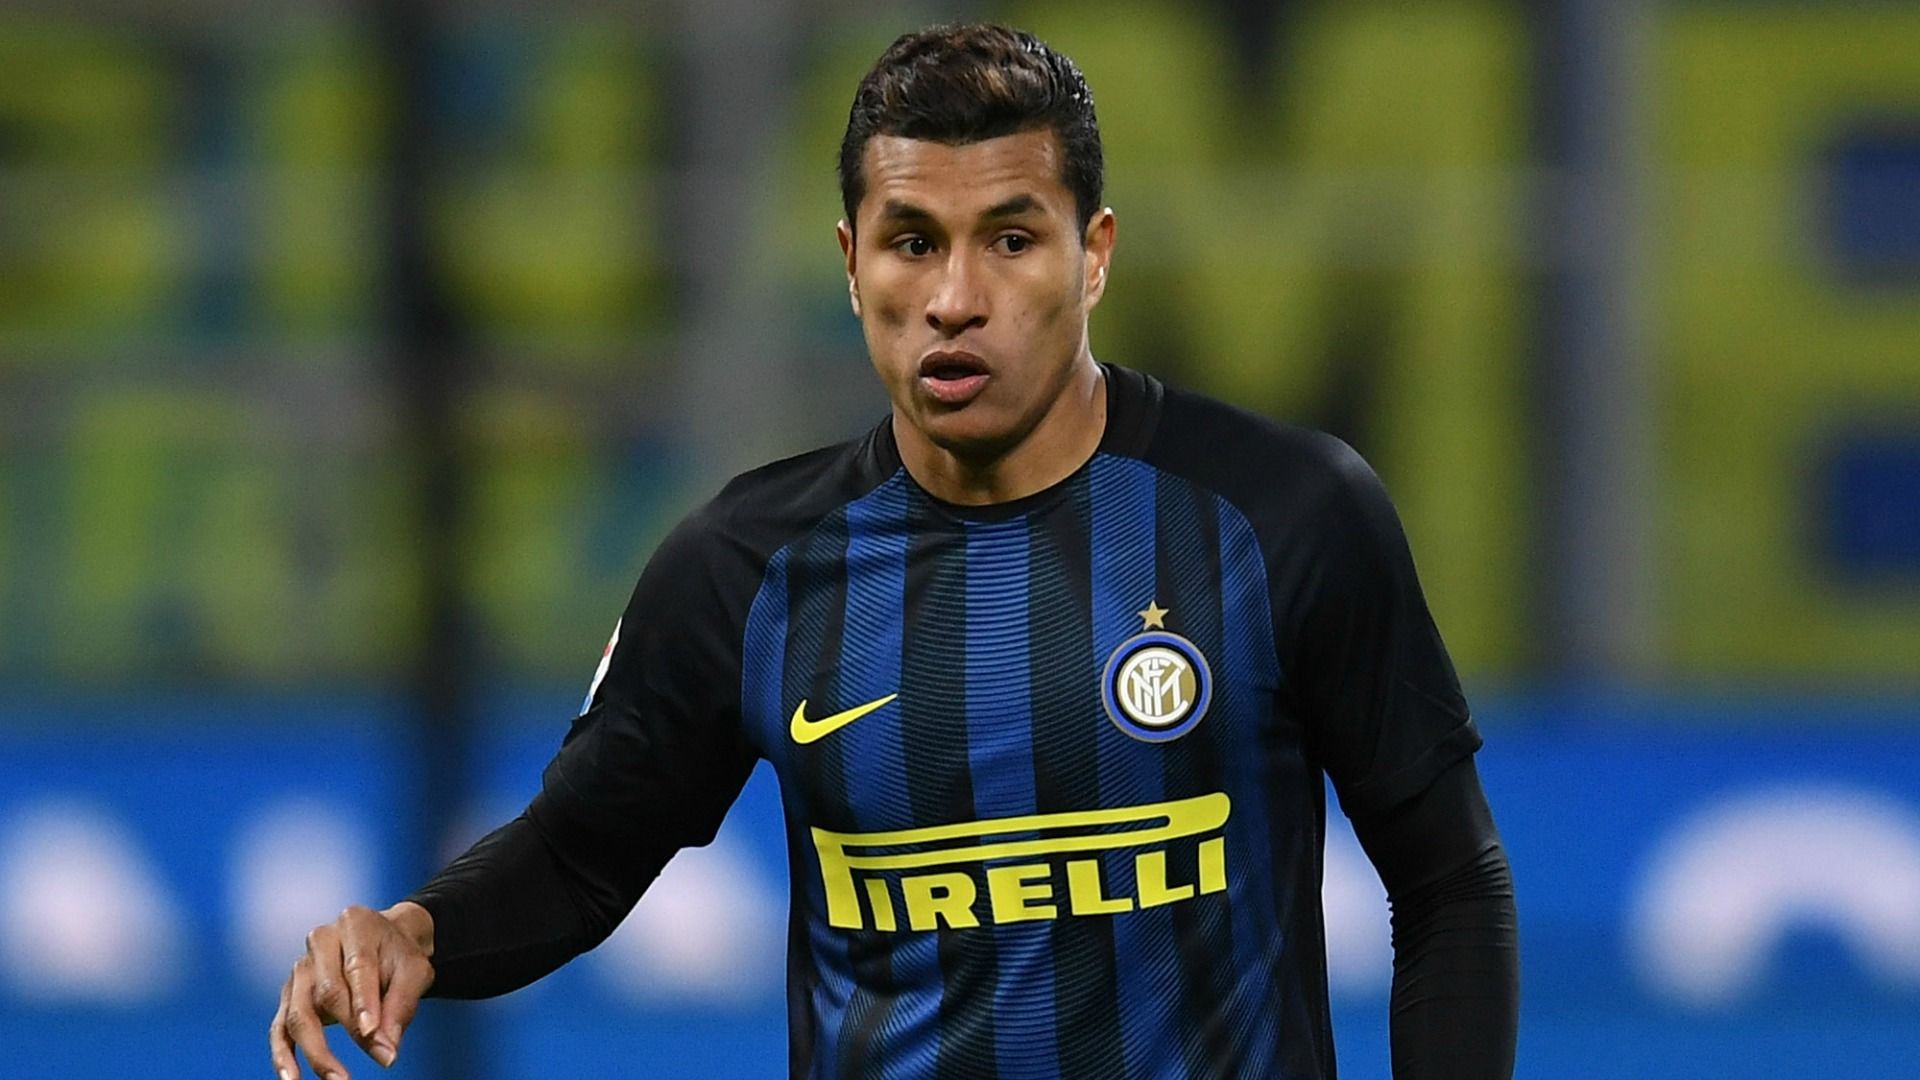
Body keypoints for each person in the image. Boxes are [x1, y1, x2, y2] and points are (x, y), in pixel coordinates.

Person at [269, 23, 1518, 1080]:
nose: (955, 299)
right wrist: (418, 932)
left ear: (1094, 256)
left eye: (1012, 240)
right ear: (850, 261)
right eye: (914, 241)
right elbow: (580, 855)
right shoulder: (747, 568)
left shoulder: (1282, 516)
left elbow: (1450, 885)